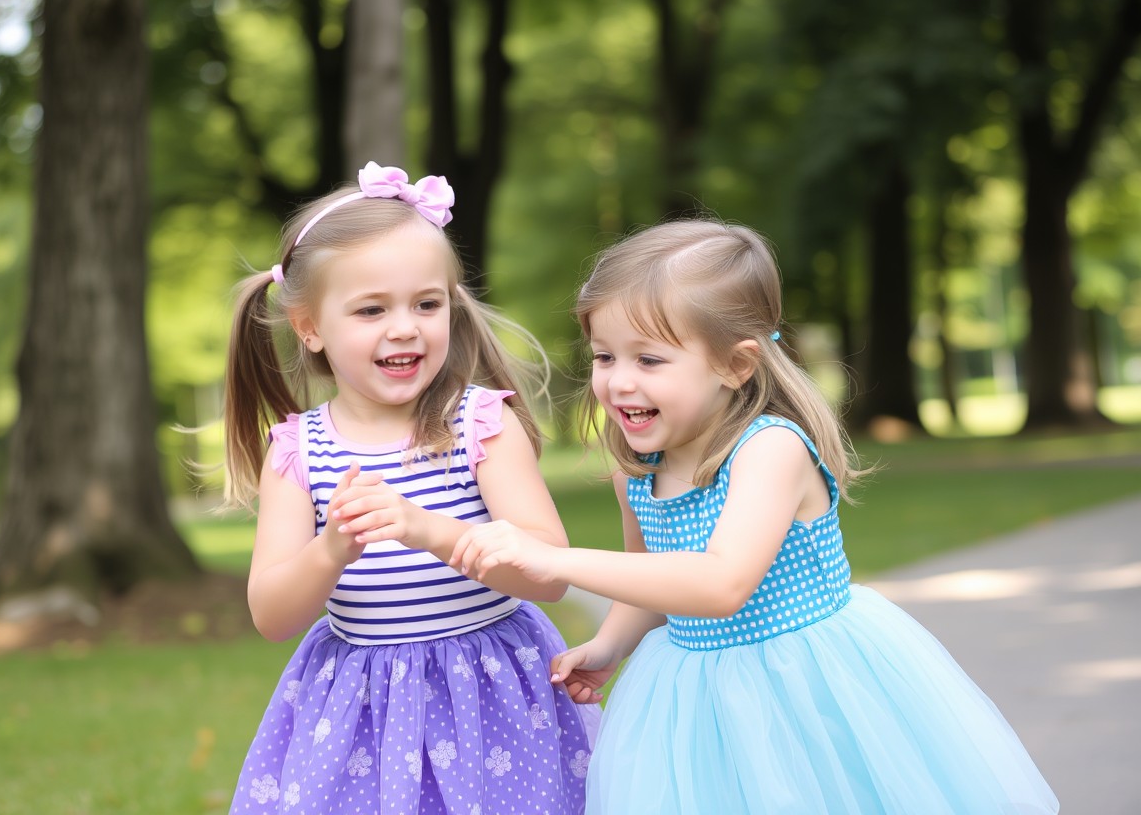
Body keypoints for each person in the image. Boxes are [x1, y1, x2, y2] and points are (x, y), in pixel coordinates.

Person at [451, 218, 1058, 813]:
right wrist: (610, 644)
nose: (617, 381)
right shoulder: (636, 469)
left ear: (736, 364)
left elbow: (722, 584)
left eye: (650, 360)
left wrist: (557, 559)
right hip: (694, 699)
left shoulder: (770, 449)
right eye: (605, 356)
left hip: (806, 689)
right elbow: (651, 580)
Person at [223, 162, 596, 815]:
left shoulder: (481, 423)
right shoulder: (299, 452)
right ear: (309, 326)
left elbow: (549, 572)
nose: (405, 327)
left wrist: (430, 530)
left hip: (491, 695)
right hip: (362, 707)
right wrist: (330, 551)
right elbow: (272, 615)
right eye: (371, 309)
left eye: (426, 304)